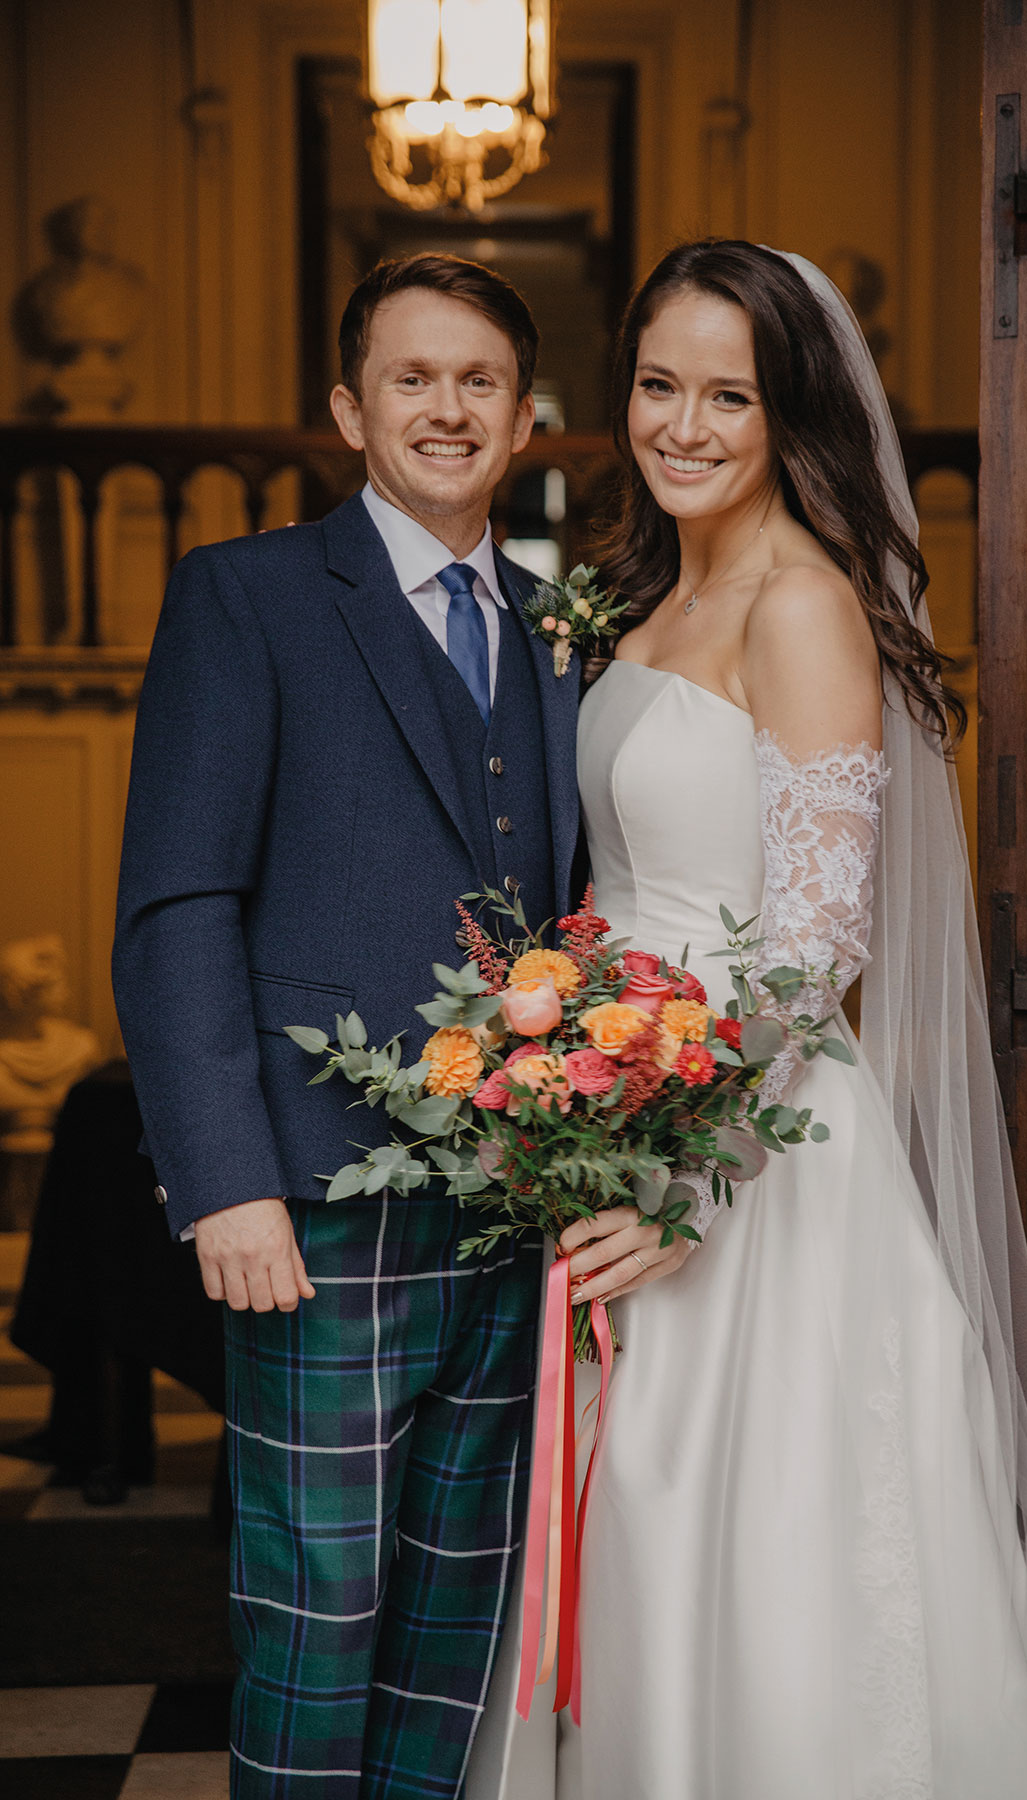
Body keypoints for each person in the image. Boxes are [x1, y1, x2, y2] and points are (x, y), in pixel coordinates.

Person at [467, 242, 1027, 1798]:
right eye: (659, 385)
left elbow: (816, 948)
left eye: (732, 394)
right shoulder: (646, 589)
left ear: (793, 416)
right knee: (641, 1530)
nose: (685, 425)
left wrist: (680, 1175)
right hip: (624, 1108)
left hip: (748, 1149)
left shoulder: (803, 605)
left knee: (764, 1545)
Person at [112, 252, 581, 1798]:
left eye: (480, 382)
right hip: (315, 1199)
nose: (448, 408)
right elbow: (179, 905)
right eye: (412, 377)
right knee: (317, 1617)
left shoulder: (564, 622)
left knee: (462, 1611)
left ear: (525, 417)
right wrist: (222, 1179)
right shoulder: (245, 596)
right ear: (348, 408)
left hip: (518, 1197)